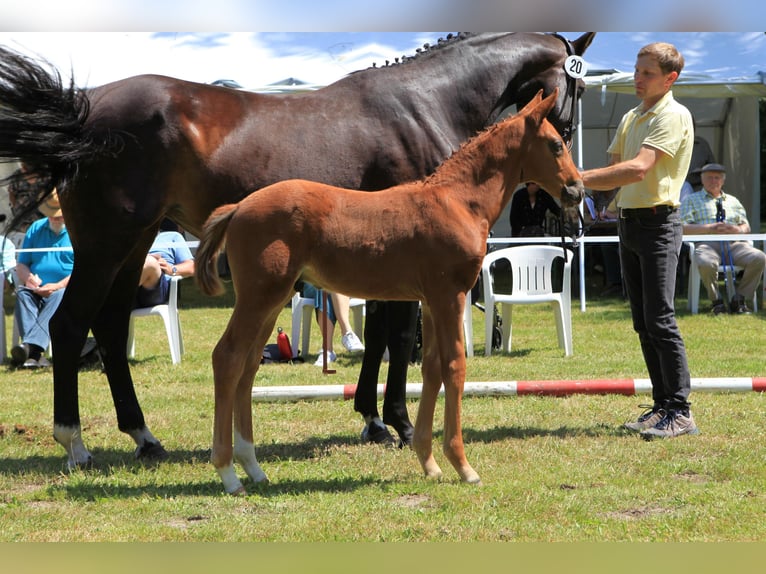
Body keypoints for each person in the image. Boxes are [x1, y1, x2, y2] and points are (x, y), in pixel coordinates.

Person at [580, 42, 698, 440]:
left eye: (647, 73)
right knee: (643, 322)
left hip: (659, 224)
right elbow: (614, 168)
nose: (638, 78)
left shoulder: (673, 114)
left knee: (661, 319)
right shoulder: (632, 115)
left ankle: (680, 411)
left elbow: (636, 169)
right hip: (630, 224)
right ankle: (663, 405)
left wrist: (575, 179)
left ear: (670, 79)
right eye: (636, 70)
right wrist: (590, 201)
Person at [680, 163, 765, 315]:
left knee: (759, 257)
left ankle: (739, 299)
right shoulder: (691, 200)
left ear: (723, 180)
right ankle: (716, 301)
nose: (713, 181)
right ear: (702, 180)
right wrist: (710, 228)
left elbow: (746, 227)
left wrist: (736, 229)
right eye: (709, 178)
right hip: (707, 244)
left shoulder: (733, 201)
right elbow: (683, 228)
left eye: (717, 178)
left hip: (734, 244)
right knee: (706, 262)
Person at [11, 189, 72, 368]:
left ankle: (31, 350)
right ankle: (34, 354)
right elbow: (21, 264)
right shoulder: (36, 228)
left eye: (59, 215)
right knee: (22, 293)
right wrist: (29, 278)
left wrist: (56, 285)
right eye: (51, 215)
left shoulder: (77, 230)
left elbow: (83, 269)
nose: (55, 218)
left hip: (65, 290)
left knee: (59, 295)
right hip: (35, 289)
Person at [301, 283, 365, 367]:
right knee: (324, 283)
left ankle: (327, 350)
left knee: (335, 279)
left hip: (345, 283)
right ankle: (346, 332)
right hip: (312, 282)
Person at [136, 220, 195, 308]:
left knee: (150, 263)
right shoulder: (131, 238)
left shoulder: (172, 237)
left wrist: (171, 269)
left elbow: (191, 267)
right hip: (132, 281)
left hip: (156, 288)